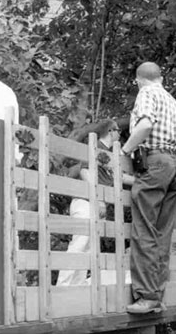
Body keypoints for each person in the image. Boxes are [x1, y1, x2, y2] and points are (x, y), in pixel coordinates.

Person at [121, 62, 176, 314]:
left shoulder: (147, 93)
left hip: (156, 163)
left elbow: (146, 124)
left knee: (144, 231)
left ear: (139, 80)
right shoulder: (175, 103)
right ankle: (157, 297)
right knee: (162, 233)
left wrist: (126, 150)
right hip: (175, 166)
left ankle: (146, 297)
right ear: (160, 77)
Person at [57, 119, 121, 286]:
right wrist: (99, 198)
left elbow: (117, 177)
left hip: (93, 203)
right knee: (80, 243)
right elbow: (85, 170)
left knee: (88, 248)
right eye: (118, 131)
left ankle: (76, 289)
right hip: (85, 201)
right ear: (111, 131)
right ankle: (62, 287)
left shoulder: (109, 154)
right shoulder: (97, 147)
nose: (120, 134)